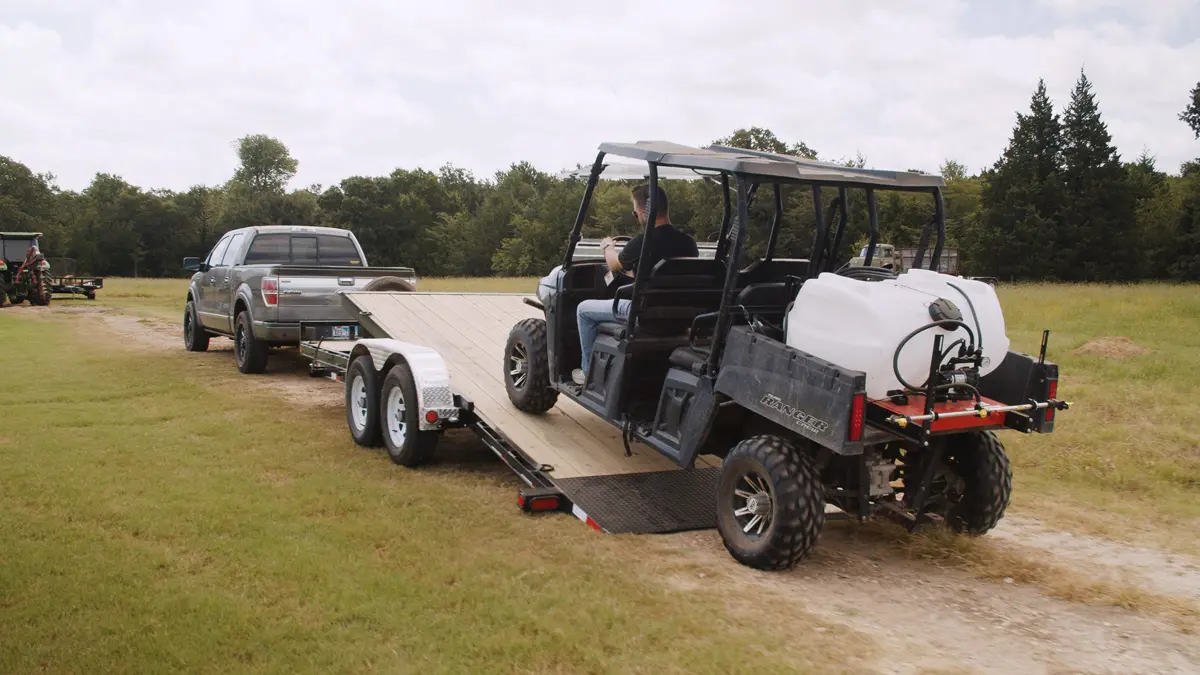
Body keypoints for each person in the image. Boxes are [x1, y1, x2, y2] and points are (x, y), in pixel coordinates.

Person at [572, 183, 698, 386]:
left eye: (634, 212)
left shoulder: (643, 241)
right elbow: (656, 273)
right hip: (680, 316)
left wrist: (607, 247)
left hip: (643, 313)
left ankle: (587, 373)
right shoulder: (688, 243)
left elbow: (613, 264)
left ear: (643, 212)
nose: (636, 215)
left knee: (583, 310)